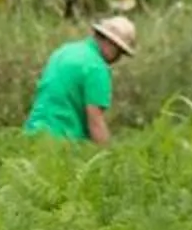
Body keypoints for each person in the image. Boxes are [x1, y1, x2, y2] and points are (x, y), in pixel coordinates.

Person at [25, 15, 137, 143]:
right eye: (120, 52)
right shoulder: (96, 67)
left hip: (32, 134)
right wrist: (110, 157)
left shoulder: (64, 51)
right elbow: (95, 123)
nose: (118, 59)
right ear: (111, 43)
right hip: (62, 141)